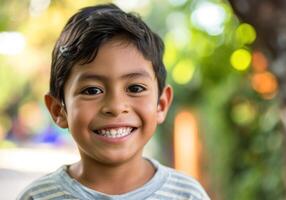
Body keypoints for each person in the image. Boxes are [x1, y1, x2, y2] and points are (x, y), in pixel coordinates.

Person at [17, 3, 210, 200]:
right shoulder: (37, 197)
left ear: (160, 105)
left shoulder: (187, 195)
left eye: (135, 88)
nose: (116, 107)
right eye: (92, 90)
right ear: (59, 110)